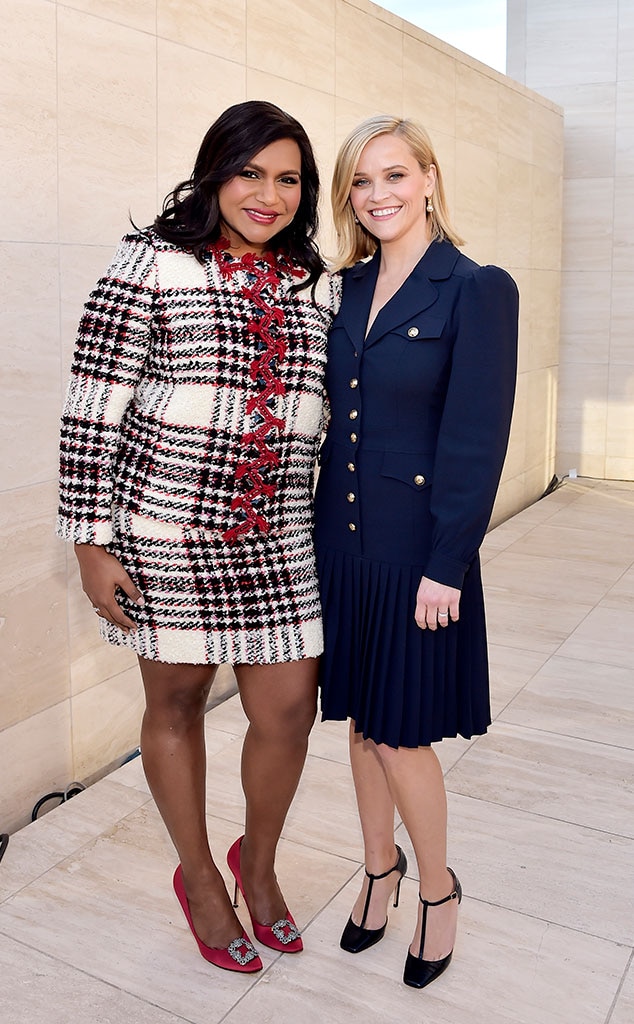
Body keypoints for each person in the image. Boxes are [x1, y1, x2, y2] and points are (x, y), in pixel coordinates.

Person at [57, 100, 341, 974]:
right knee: (174, 706)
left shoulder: (317, 283)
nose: (268, 194)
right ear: (215, 171)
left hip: (280, 537)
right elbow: (91, 403)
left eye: (288, 178)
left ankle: (255, 867)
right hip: (167, 533)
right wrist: (90, 539)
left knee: (289, 710)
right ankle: (200, 880)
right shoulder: (151, 263)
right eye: (250, 172)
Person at [314, 115, 518, 990]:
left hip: (415, 550)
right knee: (361, 725)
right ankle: (376, 870)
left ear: (430, 178)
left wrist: (448, 561)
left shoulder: (477, 288)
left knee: (402, 736)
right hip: (340, 542)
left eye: (394, 175)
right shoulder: (344, 288)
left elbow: (477, 438)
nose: (379, 195)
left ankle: (437, 891)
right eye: (361, 182)